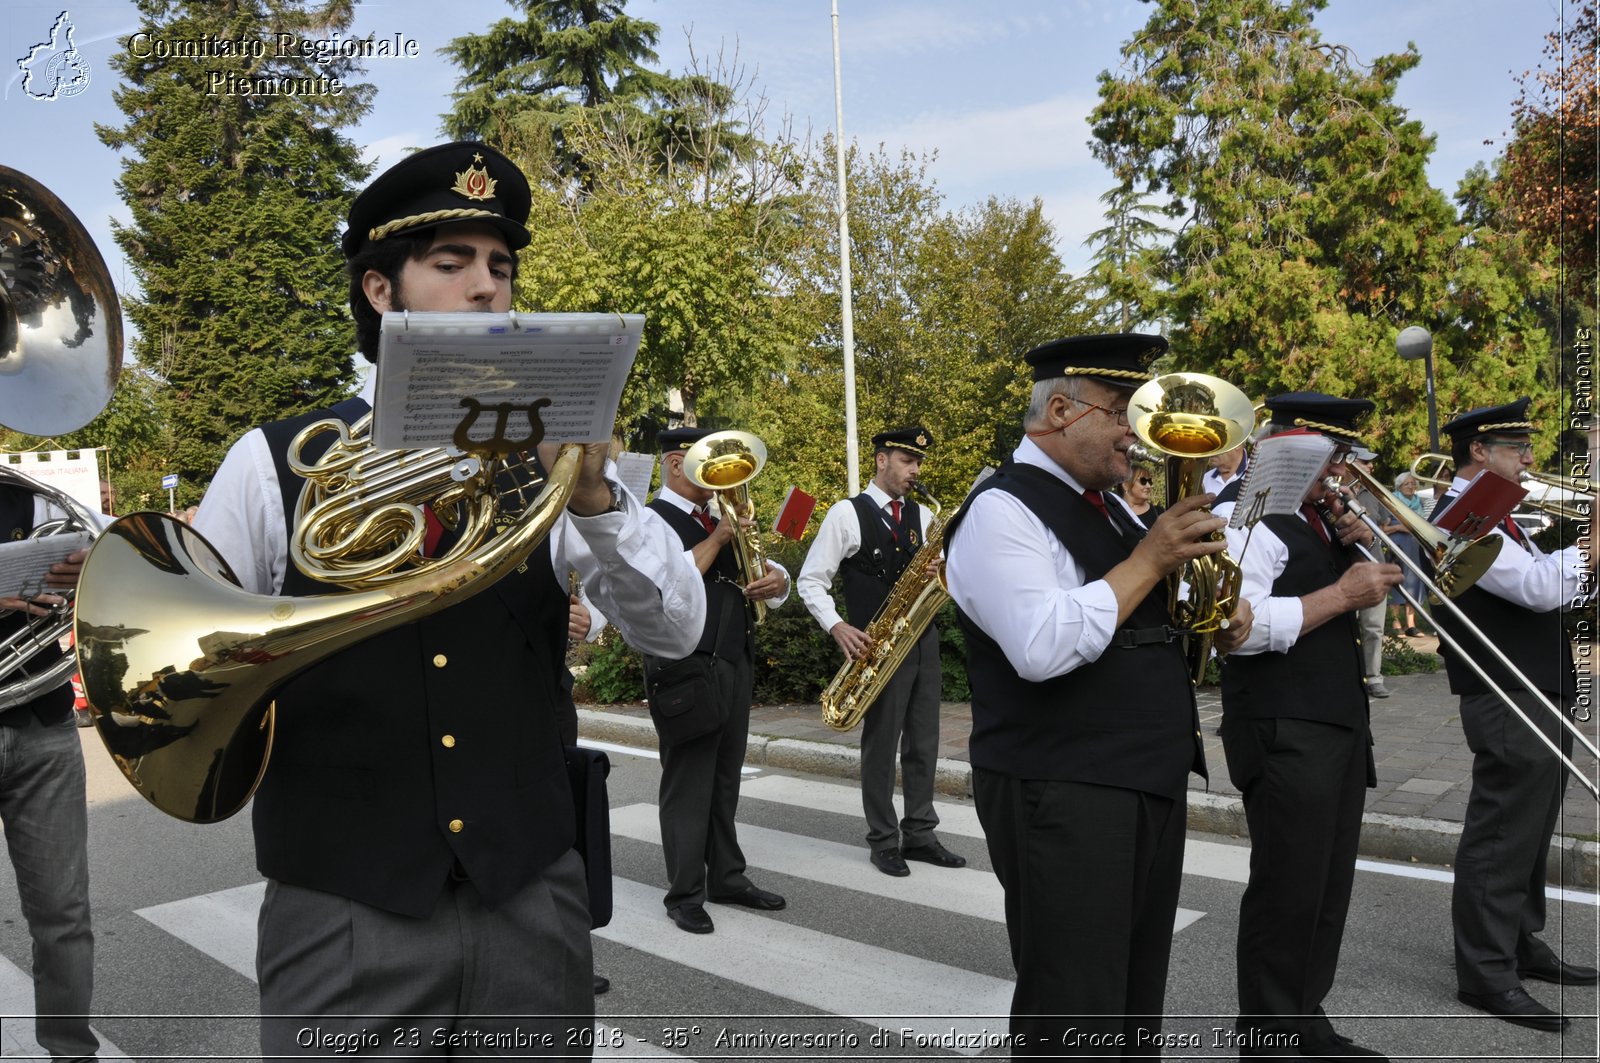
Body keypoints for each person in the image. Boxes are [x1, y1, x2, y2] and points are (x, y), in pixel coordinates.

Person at [191, 141, 705, 1057]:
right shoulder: (273, 461)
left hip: (531, 901)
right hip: (344, 911)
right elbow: (196, 655)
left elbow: (674, 629)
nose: (486, 288)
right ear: (380, 290)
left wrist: (594, 498)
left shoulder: (551, 463)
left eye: (501, 266)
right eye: (451, 262)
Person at [943, 333, 1253, 1055]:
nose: (1137, 431)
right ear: (1059, 411)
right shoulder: (1000, 509)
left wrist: (1214, 619)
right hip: (1063, 784)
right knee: (1073, 1009)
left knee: (1133, 1001)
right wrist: (1149, 557)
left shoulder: (1107, 506)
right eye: (1121, 411)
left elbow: (1137, 619)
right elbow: (1042, 644)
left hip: (1137, 775)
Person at [1213, 395, 1402, 1060]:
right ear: (1295, 451)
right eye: (1331, 460)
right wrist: (1343, 594)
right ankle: (1267, 1039)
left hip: (1331, 720)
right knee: (1287, 890)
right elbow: (1235, 629)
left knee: (1325, 888)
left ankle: (1304, 1018)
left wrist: (1353, 551)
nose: (1340, 475)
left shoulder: (1312, 515)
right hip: (1284, 727)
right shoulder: (1250, 509)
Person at [1428, 399, 1597, 1032]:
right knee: (1501, 834)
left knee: (1530, 828)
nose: (1529, 458)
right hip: (1503, 692)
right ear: (1479, 450)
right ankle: (1486, 972)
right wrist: (1594, 540)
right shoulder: (1465, 515)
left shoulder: (1505, 516)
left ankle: (1520, 943)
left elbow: (1559, 586)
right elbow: (1536, 588)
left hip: (1537, 685)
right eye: (1516, 445)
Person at [797, 428, 965, 877]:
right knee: (881, 744)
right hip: (876, 646)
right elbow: (811, 579)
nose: (915, 470)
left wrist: (940, 568)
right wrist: (837, 626)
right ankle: (883, 839)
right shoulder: (845, 514)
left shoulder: (925, 516)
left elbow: (943, 573)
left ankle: (921, 834)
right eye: (907, 460)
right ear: (880, 460)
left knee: (924, 742)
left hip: (921, 639)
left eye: (919, 463)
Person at [643, 427, 792, 933]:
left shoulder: (717, 518)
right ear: (675, 462)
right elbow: (662, 584)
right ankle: (685, 892)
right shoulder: (648, 520)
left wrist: (779, 580)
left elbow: (766, 580)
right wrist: (718, 538)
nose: (716, 478)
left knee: (725, 776)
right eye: (704, 465)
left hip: (732, 654)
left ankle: (726, 876)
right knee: (689, 779)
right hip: (683, 662)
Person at [0, 481, 97, 1062]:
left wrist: (87, 574)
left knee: (64, 913)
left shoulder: (30, 501)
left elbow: (101, 581)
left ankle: (70, 1053)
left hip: (44, 723)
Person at [1348, 450, 1391, 699]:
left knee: (1373, 627)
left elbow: (1384, 526)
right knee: (1344, 628)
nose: (1371, 467)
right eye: (1365, 462)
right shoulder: (1334, 490)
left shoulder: (1374, 492)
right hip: (1345, 569)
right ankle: (1349, 677)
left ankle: (1374, 677)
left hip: (1374, 565)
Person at [1384, 471, 1427, 636]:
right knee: (1397, 583)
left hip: (1415, 548)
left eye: (1413, 483)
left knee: (1414, 584)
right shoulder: (1391, 501)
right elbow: (1382, 528)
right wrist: (1398, 527)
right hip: (1397, 547)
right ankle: (1395, 623)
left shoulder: (1418, 502)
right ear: (1399, 486)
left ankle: (1411, 624)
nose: (1411, 486)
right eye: (1407, 484)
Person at [1115, 464, 1164, 529]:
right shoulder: (1115, 515)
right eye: (1143, 481)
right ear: (1125, 485)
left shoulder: (1160, 512)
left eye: (1149, 481)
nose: (1149, 486)